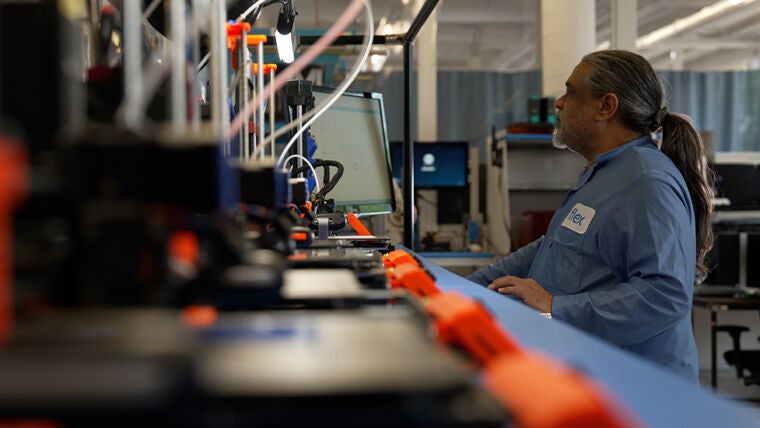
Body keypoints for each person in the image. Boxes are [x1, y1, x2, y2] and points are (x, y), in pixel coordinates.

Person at [468, 50, 713, 382]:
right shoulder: (602, 173)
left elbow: (664, 296)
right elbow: (551, 248)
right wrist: (459, 289)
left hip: (637, 394)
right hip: (591, 376)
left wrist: (554, 305)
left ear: (606, 106)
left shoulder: (647, 181)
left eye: (570, 92)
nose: (558, 103)